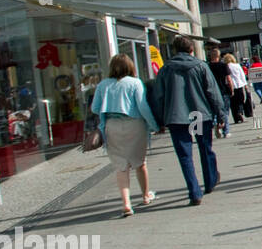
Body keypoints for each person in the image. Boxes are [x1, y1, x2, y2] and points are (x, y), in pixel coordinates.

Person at [155, 35, 224, 206]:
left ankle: (194, 192)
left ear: (175, 50)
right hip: (199, 115)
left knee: (185, 155)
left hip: (177, 117)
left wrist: (160, 120)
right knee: (205, 148)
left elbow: (159, 96)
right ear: (191, 49)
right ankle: (210, 181)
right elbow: (213, 92)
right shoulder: (201, 66)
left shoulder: (165, 69)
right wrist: (220, 114)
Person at [90, 54, 159, 217]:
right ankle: (145, 195)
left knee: (121, 166)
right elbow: (143, 107)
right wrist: (153, 125)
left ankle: (126, 203)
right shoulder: (135, 83)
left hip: (112, 126)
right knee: (140, 163)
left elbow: (95, 108)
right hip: (135, 125)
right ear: (130, 66)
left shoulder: (103, 85)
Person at [208, 45, 232, 137]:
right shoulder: (223, 65)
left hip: (211, 92)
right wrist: (231, 89)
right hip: (223, 90)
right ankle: (226, 131)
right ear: (219, 55)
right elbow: (229, 79)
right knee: (224, 111)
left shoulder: (207, 66)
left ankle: (215, 125)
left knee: (214, 111)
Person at [224, 54, 249, 121]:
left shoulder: (226, 67)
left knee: (233, 103)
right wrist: (245, 85)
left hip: (230, 86)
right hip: (239, 85)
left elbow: (226, 78)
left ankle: (236, 118)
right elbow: (242, 75)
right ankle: (240, 112)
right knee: (240, 100)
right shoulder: (237, 66)